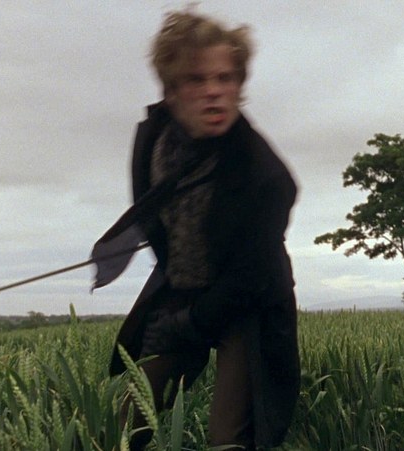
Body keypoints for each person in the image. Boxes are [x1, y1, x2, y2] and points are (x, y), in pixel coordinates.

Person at [97, 9, 299, 450]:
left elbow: (250, 278)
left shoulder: (265, 177)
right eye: (196, 79)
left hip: (248, 306)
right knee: (124, 427)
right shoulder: (154, 140)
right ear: (171, 91)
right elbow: (155, 220)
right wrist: (174, 303)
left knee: (228, 439)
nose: (213, 91)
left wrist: (188, 323)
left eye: (225, 78)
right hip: (183, 292)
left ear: (239, 86)